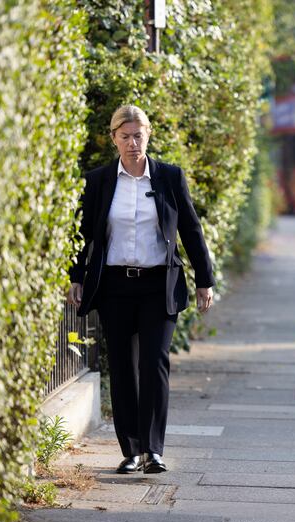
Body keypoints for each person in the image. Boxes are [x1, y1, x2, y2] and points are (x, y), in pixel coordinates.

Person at [67, 105, 215, 475]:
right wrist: (77, 276)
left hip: (158, 284)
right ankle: (130, 449)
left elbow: (191, 231)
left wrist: (204, 279)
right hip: (115, 284)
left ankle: (154, 449)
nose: (133, 144)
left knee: (154, 363)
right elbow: (82, 234)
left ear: (148, 135)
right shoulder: (98, 180)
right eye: (125, 136)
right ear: (114, 137)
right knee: (122, 366)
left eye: (139, 135)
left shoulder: (168, 177)